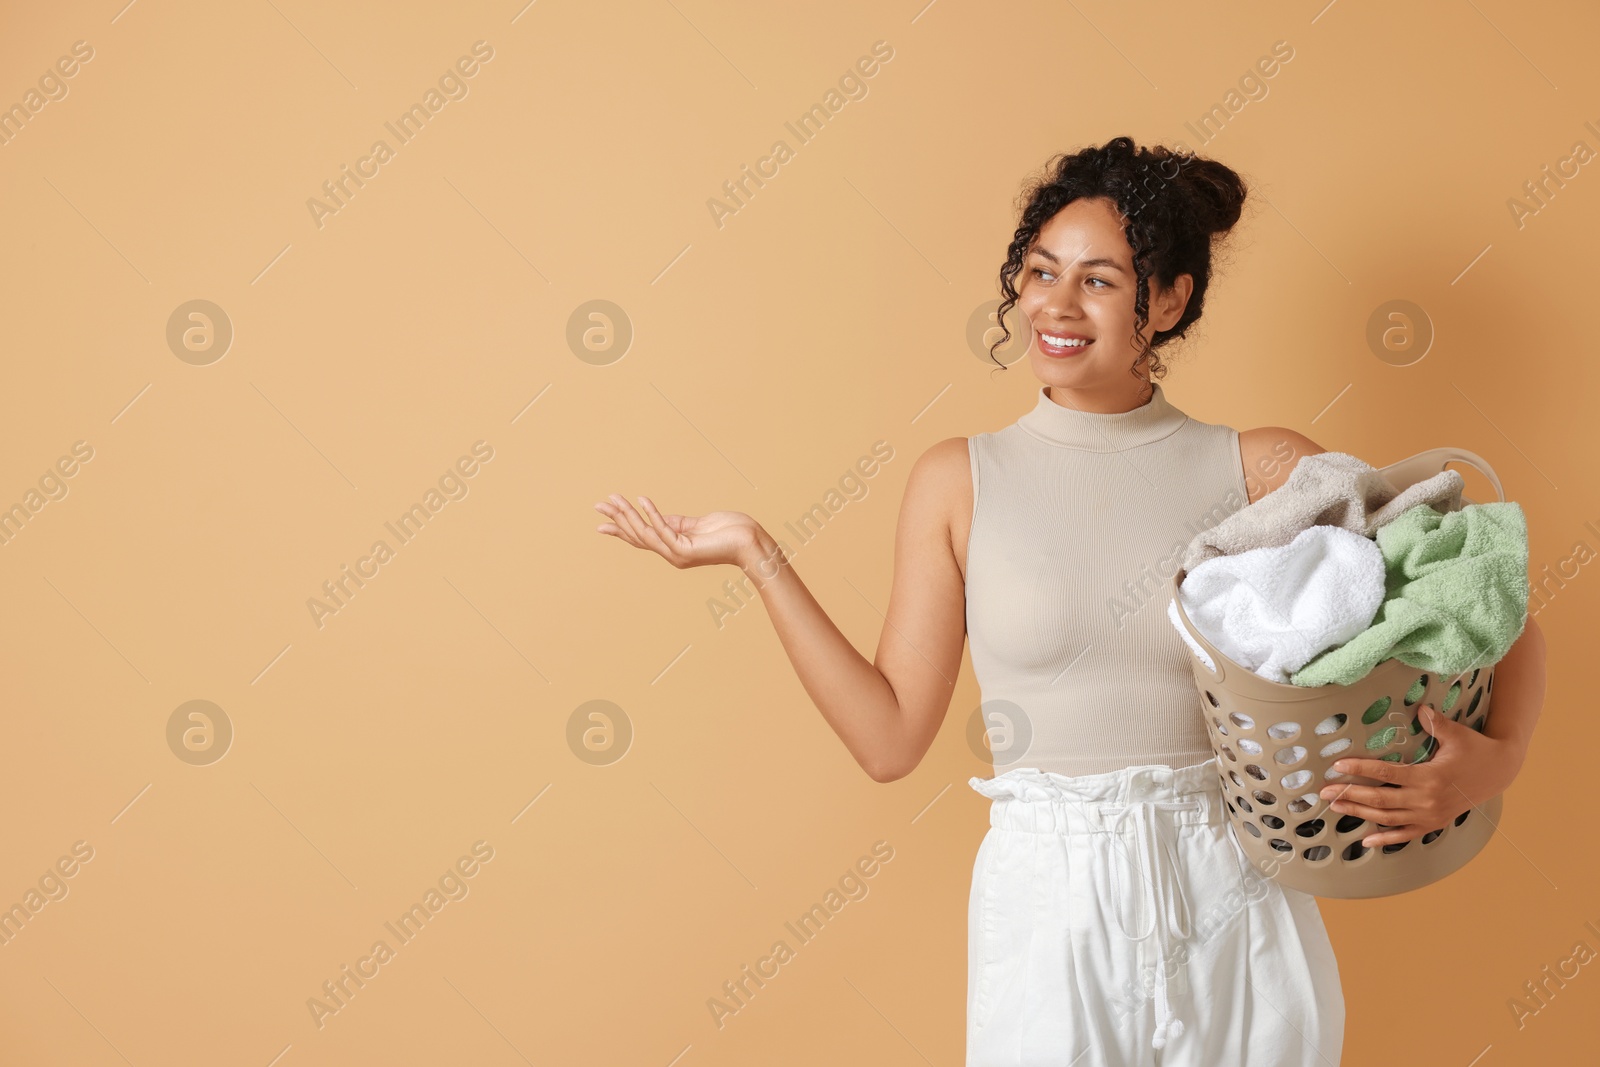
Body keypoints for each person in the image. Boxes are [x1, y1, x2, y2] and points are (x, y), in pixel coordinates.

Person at [593, 136, 1546, 1066]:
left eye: (1099, 279)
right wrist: (759, 556)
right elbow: (889, 741)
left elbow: (1479, 592)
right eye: (1041, 271)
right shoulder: (958, 480)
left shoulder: (1263, 468)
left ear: (1168, 302)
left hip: (1233, 886)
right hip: (1050, 900)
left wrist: (1494, 762)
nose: (1057, 304)